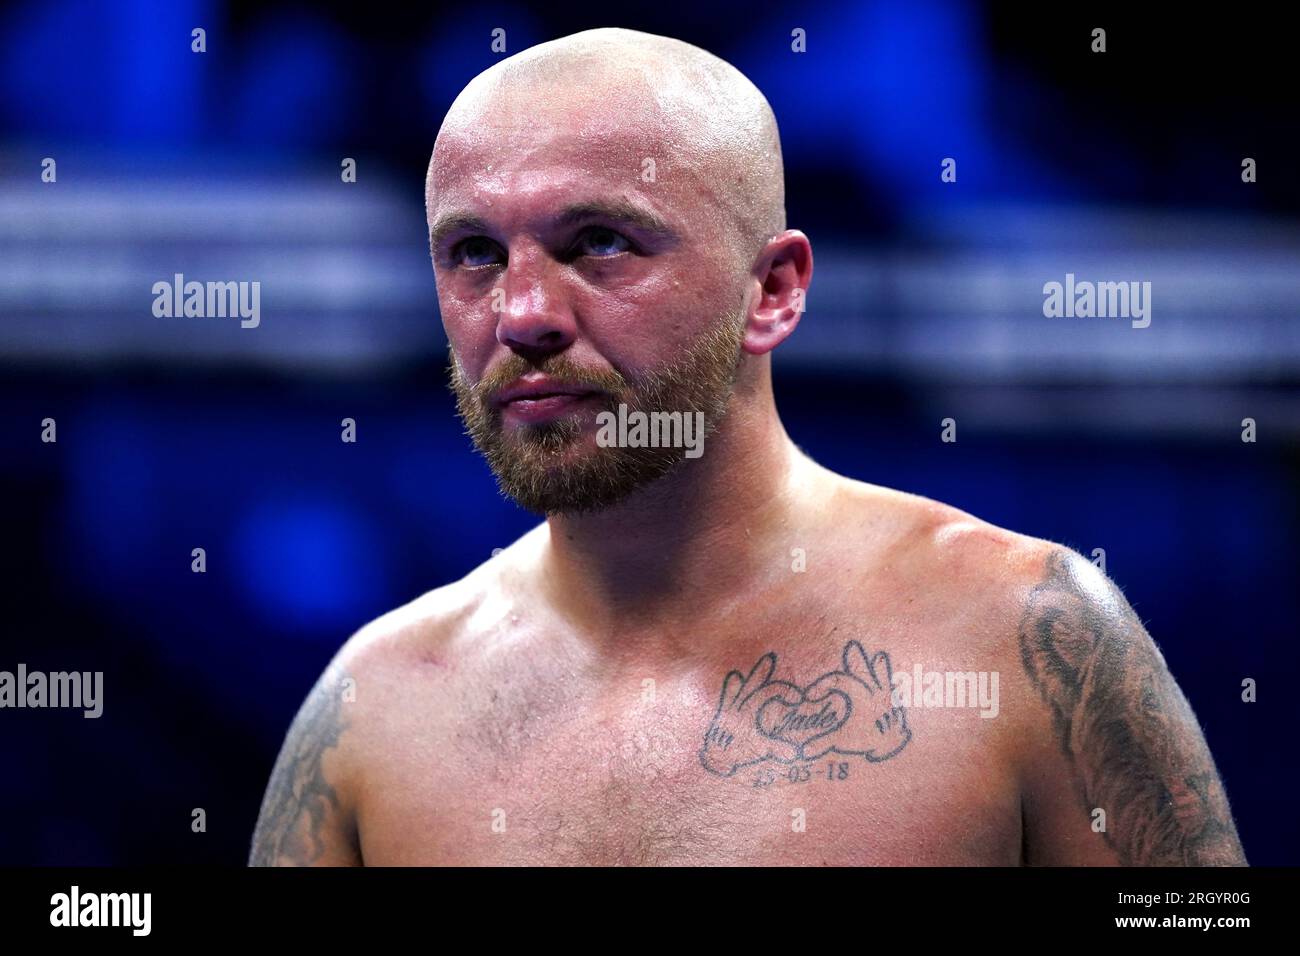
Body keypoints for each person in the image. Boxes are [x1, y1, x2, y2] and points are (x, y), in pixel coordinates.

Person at [250, 28, 1246, 866]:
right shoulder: (374, 709)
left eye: (598, 241)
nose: (519, 315)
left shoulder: (1026, 640)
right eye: (474, 252)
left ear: (770, 290)